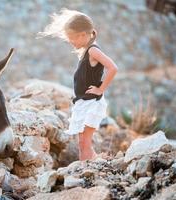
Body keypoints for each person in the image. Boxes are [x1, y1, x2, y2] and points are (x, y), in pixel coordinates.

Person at [39, 9, 118, 161]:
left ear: (83, 34)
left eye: (72, 38)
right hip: (83, 102)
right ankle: (92, 164)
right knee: (82, 143)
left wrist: (100, 89)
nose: (70, 42)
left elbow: (113, 68)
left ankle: (84, 170)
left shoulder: (93, 50)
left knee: (84, 142)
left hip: (92, 102)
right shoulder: (86, 52)